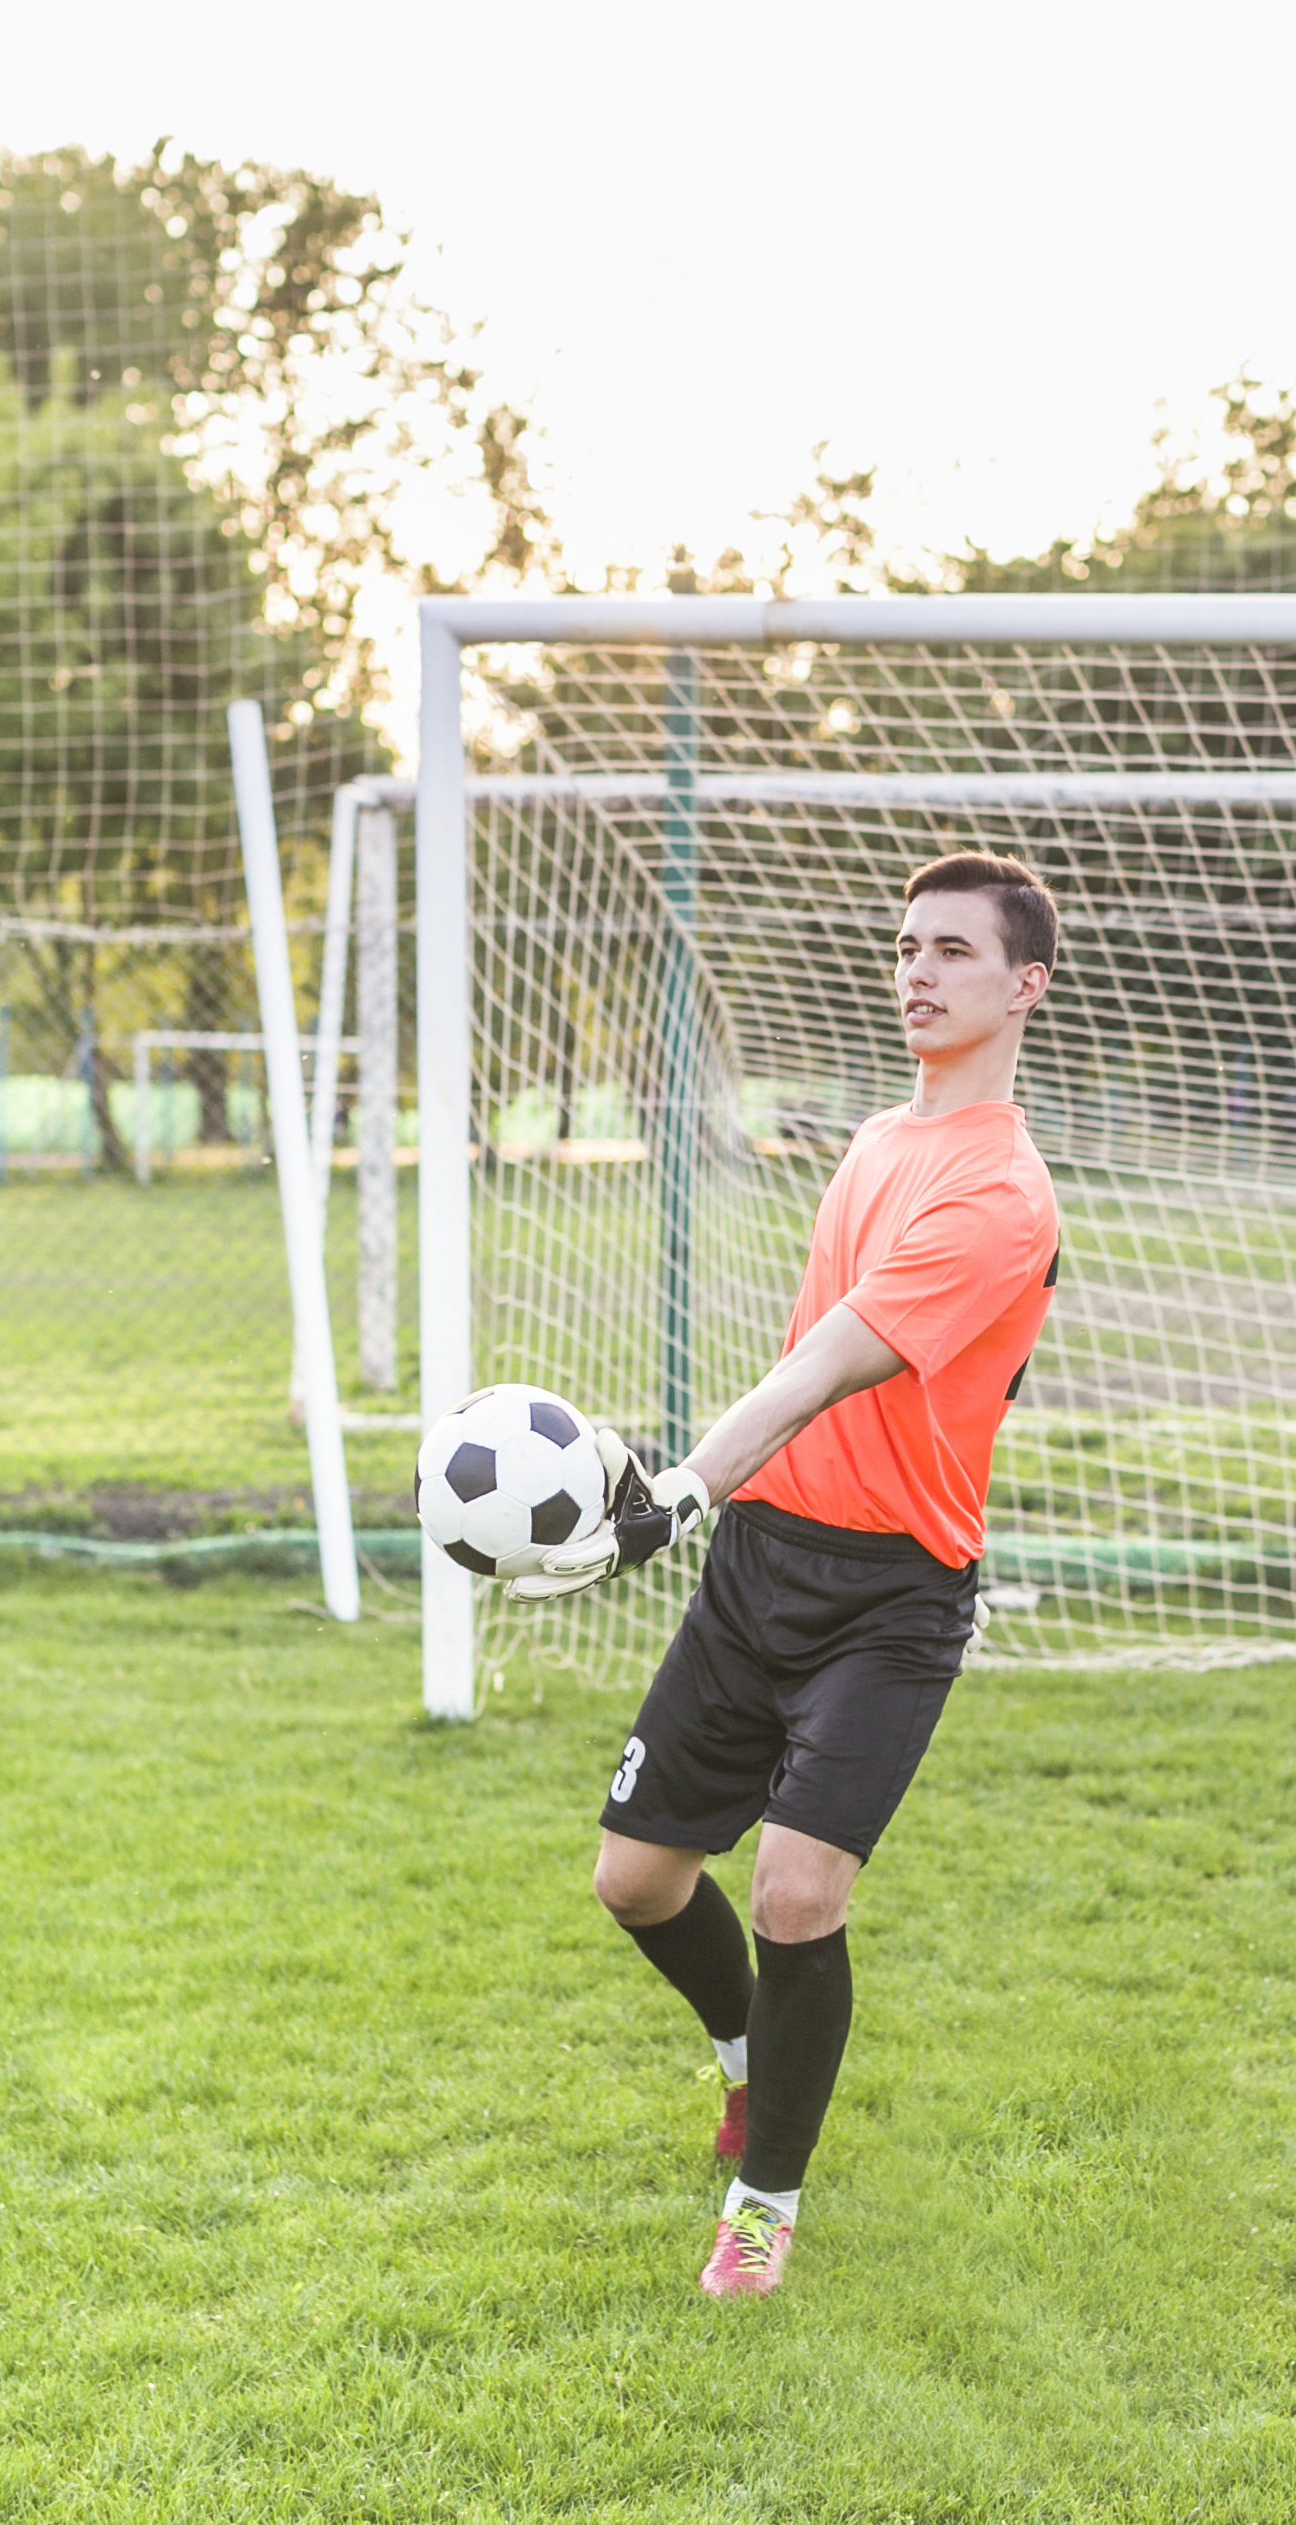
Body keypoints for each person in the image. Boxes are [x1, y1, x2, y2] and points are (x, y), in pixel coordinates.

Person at [509, 850, 1061, 2297]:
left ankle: (764, 2200)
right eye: (905, 944)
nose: (917, 969)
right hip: (763, 1563)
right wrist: (718, 1497)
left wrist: (682, 1482)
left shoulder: (1000, 1195)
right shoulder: (877, 1139)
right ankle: (753, 2053)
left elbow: (832, 1361)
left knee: (797, 1894)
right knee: (633, 1879)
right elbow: (808, 1352)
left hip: (890, 1595)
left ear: (1023, 984)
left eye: (951, 948)